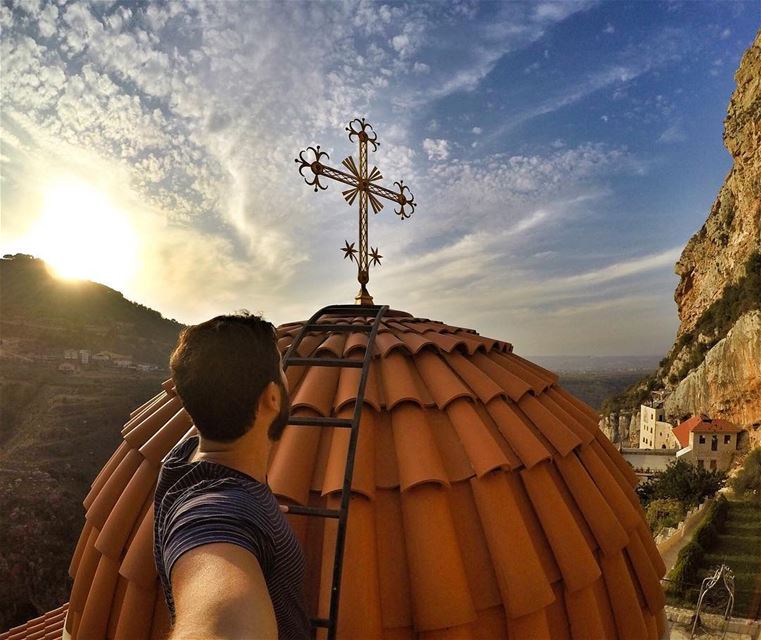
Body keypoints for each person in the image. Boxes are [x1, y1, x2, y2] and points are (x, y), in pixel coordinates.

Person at [153, 312, 310, 640]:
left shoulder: (181, 460)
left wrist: (262, 508)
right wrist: (247, 512)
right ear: (272, 396)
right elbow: (222, 625)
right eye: (281, 370)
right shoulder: (217, 514)